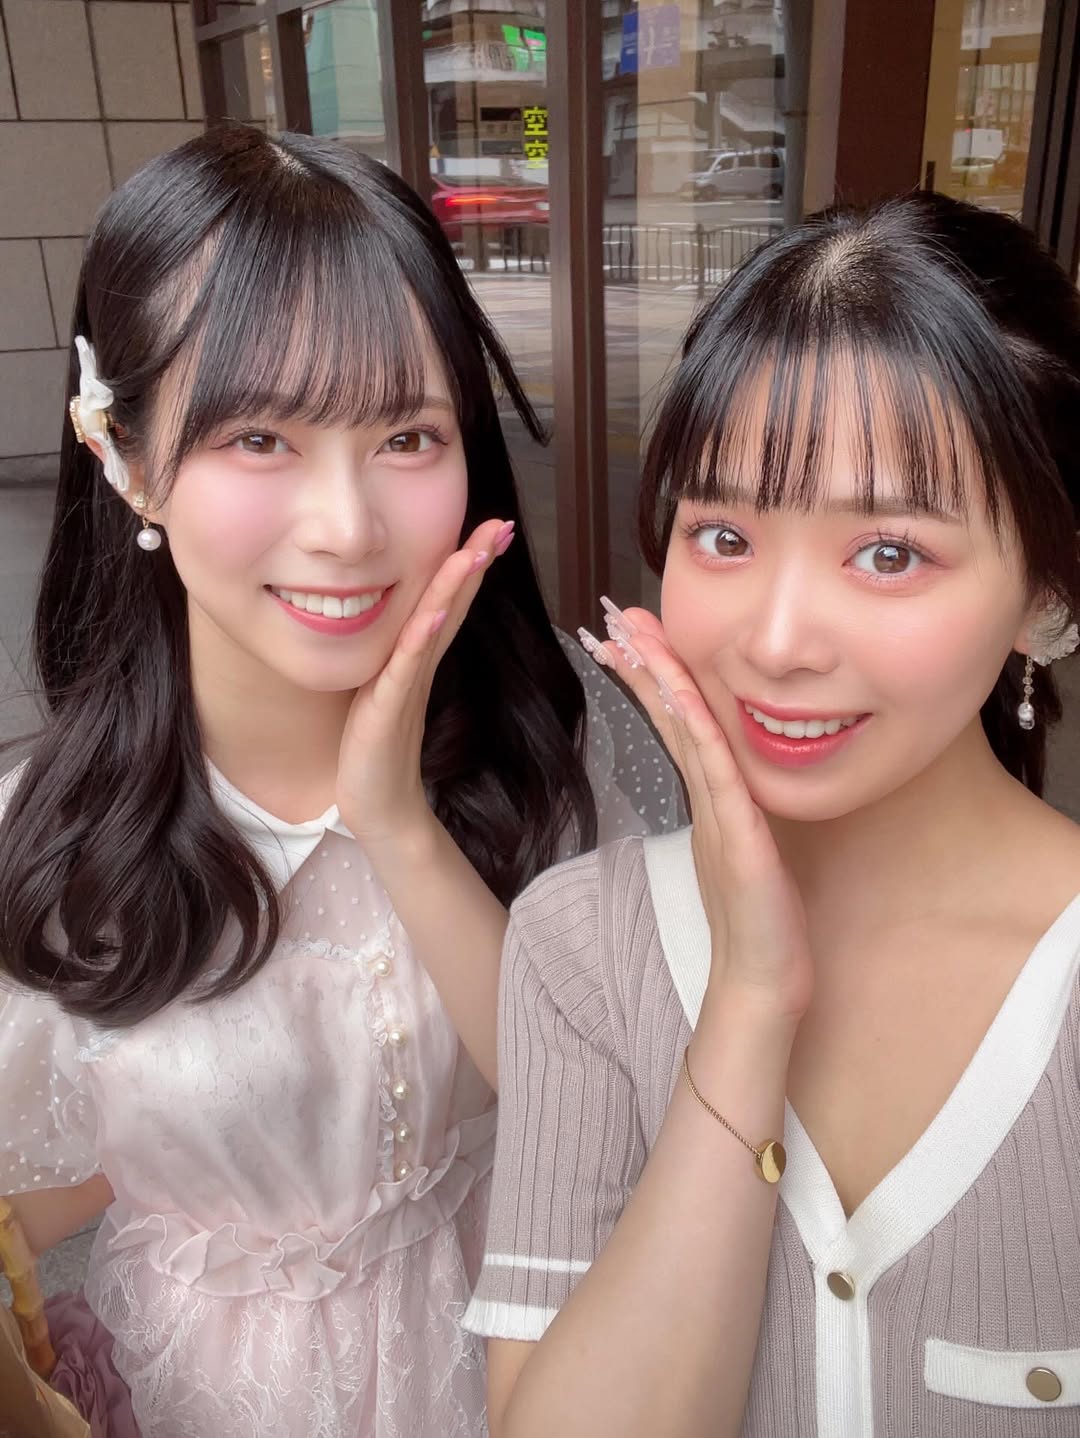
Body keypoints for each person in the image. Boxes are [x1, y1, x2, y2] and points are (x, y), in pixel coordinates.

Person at [0, 125, 682, 1438]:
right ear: (122, 451)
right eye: (261, 435)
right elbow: (51, 1174)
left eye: (408, 434)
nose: (349, 526)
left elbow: (601, 1121)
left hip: (507, 1365)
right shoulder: (53, 837)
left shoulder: (538, 744)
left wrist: (401, 828)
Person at [466, 193, 1080, 1437]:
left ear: (1047, 594)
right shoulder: (578, 950)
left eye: (890, 552)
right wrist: (749, 1002)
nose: (778, 640)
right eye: (723, 534)